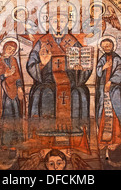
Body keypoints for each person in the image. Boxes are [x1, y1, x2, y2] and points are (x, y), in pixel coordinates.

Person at [26, 8, 92, 147]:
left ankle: (76, 129)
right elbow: (31, 64)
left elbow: (86, 63)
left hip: (71, 79)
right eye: (54, 21)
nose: (58, 24)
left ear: (68, 24)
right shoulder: (43, 42)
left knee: (79, 91)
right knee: (44, 91)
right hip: (48, 79)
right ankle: (45, 128)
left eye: (61, 21)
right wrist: (42, 64)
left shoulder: (72, 42)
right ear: (49, 24)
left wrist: (80, 69)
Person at [95, 38, 121, 154]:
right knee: (103, 113)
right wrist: (103, 67)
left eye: (108, 46)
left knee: (115, 113)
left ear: (113, 46)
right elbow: (98, 71)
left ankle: (116, 140)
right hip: (103, 92)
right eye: (104, 46)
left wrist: (111, 82)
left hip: (114, 92)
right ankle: (103, 141)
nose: (106, 48)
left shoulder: (117, 59)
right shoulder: (102, 59)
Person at [0, 40, 25, 149]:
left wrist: (20, 88)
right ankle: (5, 142)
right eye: (9, 48)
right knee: (6, 117)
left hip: (14, 92)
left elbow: (18, 76)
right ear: (4, 48)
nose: (11, 51)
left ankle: (16, 141)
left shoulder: (14, 60)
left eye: (13, 50)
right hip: (4, 94)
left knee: (16, 115)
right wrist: (5, 75)